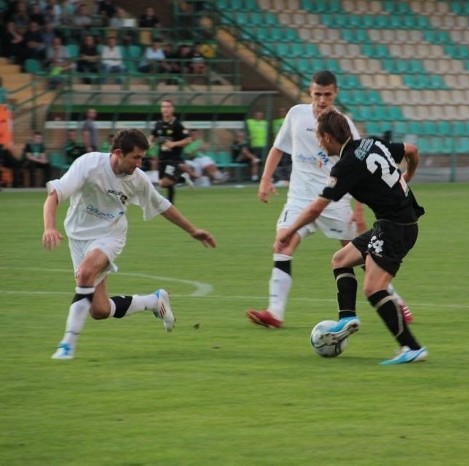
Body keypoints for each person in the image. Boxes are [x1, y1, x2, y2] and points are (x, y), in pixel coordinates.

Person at [247, 70, 412, 329]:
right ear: (310, 93)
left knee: (360, 256)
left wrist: (358, 209)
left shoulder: (344, 125)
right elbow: (278, 148)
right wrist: (265, 179)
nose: (321, 100)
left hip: (334, 201)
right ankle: (275, 312)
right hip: (300, 199)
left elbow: (365, 168)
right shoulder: (296, 115)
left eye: (327, 95)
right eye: (317, 94)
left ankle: (395, 300)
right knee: (283, 246)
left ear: (335, 94)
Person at [43, 128, 216, 360]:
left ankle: (67, 344)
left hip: (110, 236)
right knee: (100, 310)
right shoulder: (89, 164)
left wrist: (194, 230)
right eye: (135, 157)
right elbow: (54, 195)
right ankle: (154, 301)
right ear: (118, 153)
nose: (140, 163)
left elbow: (163, 205)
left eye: (142, 157)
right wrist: (49, 227)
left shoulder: (138, 180)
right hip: (77, 236)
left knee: (85, 274)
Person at [275, 109, 426, 365]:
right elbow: (411, 150)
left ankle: (411, 348)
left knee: (373, 288)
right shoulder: (371, 143)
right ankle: (347, 317)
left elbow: (316, 208)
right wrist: (408, 176)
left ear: (327, 137)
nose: (319, 143)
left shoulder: (346, 165)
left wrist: (288, 232)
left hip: (395, 227)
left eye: (319, 138)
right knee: (341, 259)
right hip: (395, 222)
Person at [148, 99, 193, 203]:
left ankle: (181, 177)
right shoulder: (159, 123)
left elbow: (188, 140)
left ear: (172, 109)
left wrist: (174, 144)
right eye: (163, 107)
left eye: (168, 107)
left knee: (166, 182)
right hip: (162, 157)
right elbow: (153, 135)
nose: (165, 109)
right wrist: (149, 143)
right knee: (162, 183)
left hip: (173, 158)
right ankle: (171, 202)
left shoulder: (177, 125)